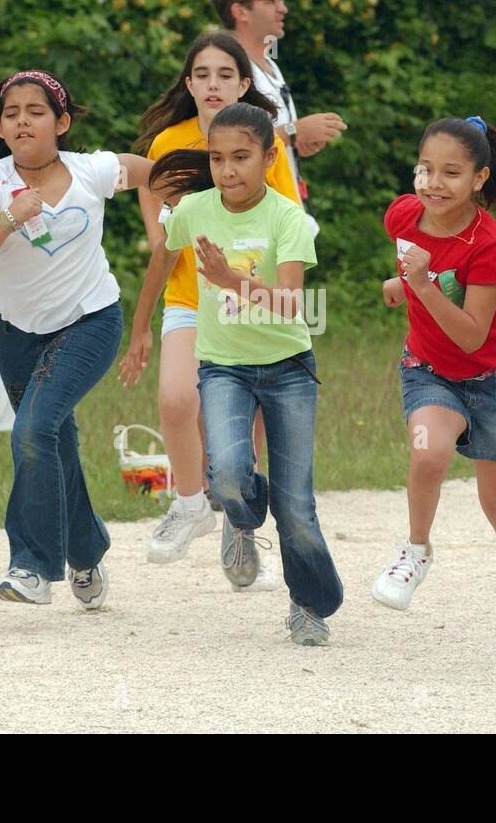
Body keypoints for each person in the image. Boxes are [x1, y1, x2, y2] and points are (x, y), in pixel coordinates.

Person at [0, 69, 153, 611]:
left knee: (33, 429)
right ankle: (86, 552)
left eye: (36, 111)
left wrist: (166, 226)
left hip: (90, 322)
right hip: (15, 335)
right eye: (11, 113)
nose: (23, 120)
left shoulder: (94, 171)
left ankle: (32, 565)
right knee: (53, 441)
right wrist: (7, 221)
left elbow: (160, 174)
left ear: (60, 123)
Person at [148, 102, 343, 644]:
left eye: (240, 157)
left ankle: (310, 605)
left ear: (269, 156)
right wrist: (142, 323)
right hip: (224, 368)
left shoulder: (287, 218)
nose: (228, 171)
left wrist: (230, 279)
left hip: (288, 370)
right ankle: (240, 516)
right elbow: (161, 256)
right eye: (216, 159)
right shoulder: (194, 210)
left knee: (295, 504)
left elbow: (289, 304)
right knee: (228, 475)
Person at [373, 115, 496, 672]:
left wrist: (418, 285)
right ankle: (416, 550)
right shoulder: (403, 215)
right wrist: (403, 287)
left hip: (493, 381)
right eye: (426, 168)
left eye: (451, 172)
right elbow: (418, 274)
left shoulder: (490, 243)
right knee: (429, 453)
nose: (433, 182)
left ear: (478, 179)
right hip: (428, 370)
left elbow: (473, 333)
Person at [122, 32, 297, 579]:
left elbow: (285, 222)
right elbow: (163, 242)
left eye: (226, 74)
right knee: (177, 401)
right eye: (202, 74)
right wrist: (143, 325)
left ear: (245, 83)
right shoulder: (167, 143)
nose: (213, 84)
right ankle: (191, 504)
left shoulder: (268, 143)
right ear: (189, 83)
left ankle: (241, 530)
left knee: (242, 439)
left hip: (247, 300)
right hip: (188, 297)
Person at [210, 0, 346, 216]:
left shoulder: (270, 65)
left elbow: (269, 141)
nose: (283, 9)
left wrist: (296, 143)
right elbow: (223, 140)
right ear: (241, 11)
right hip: (253, 225)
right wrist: (294, 132)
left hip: (285, 217)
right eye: (271, 2)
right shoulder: (225, 68)